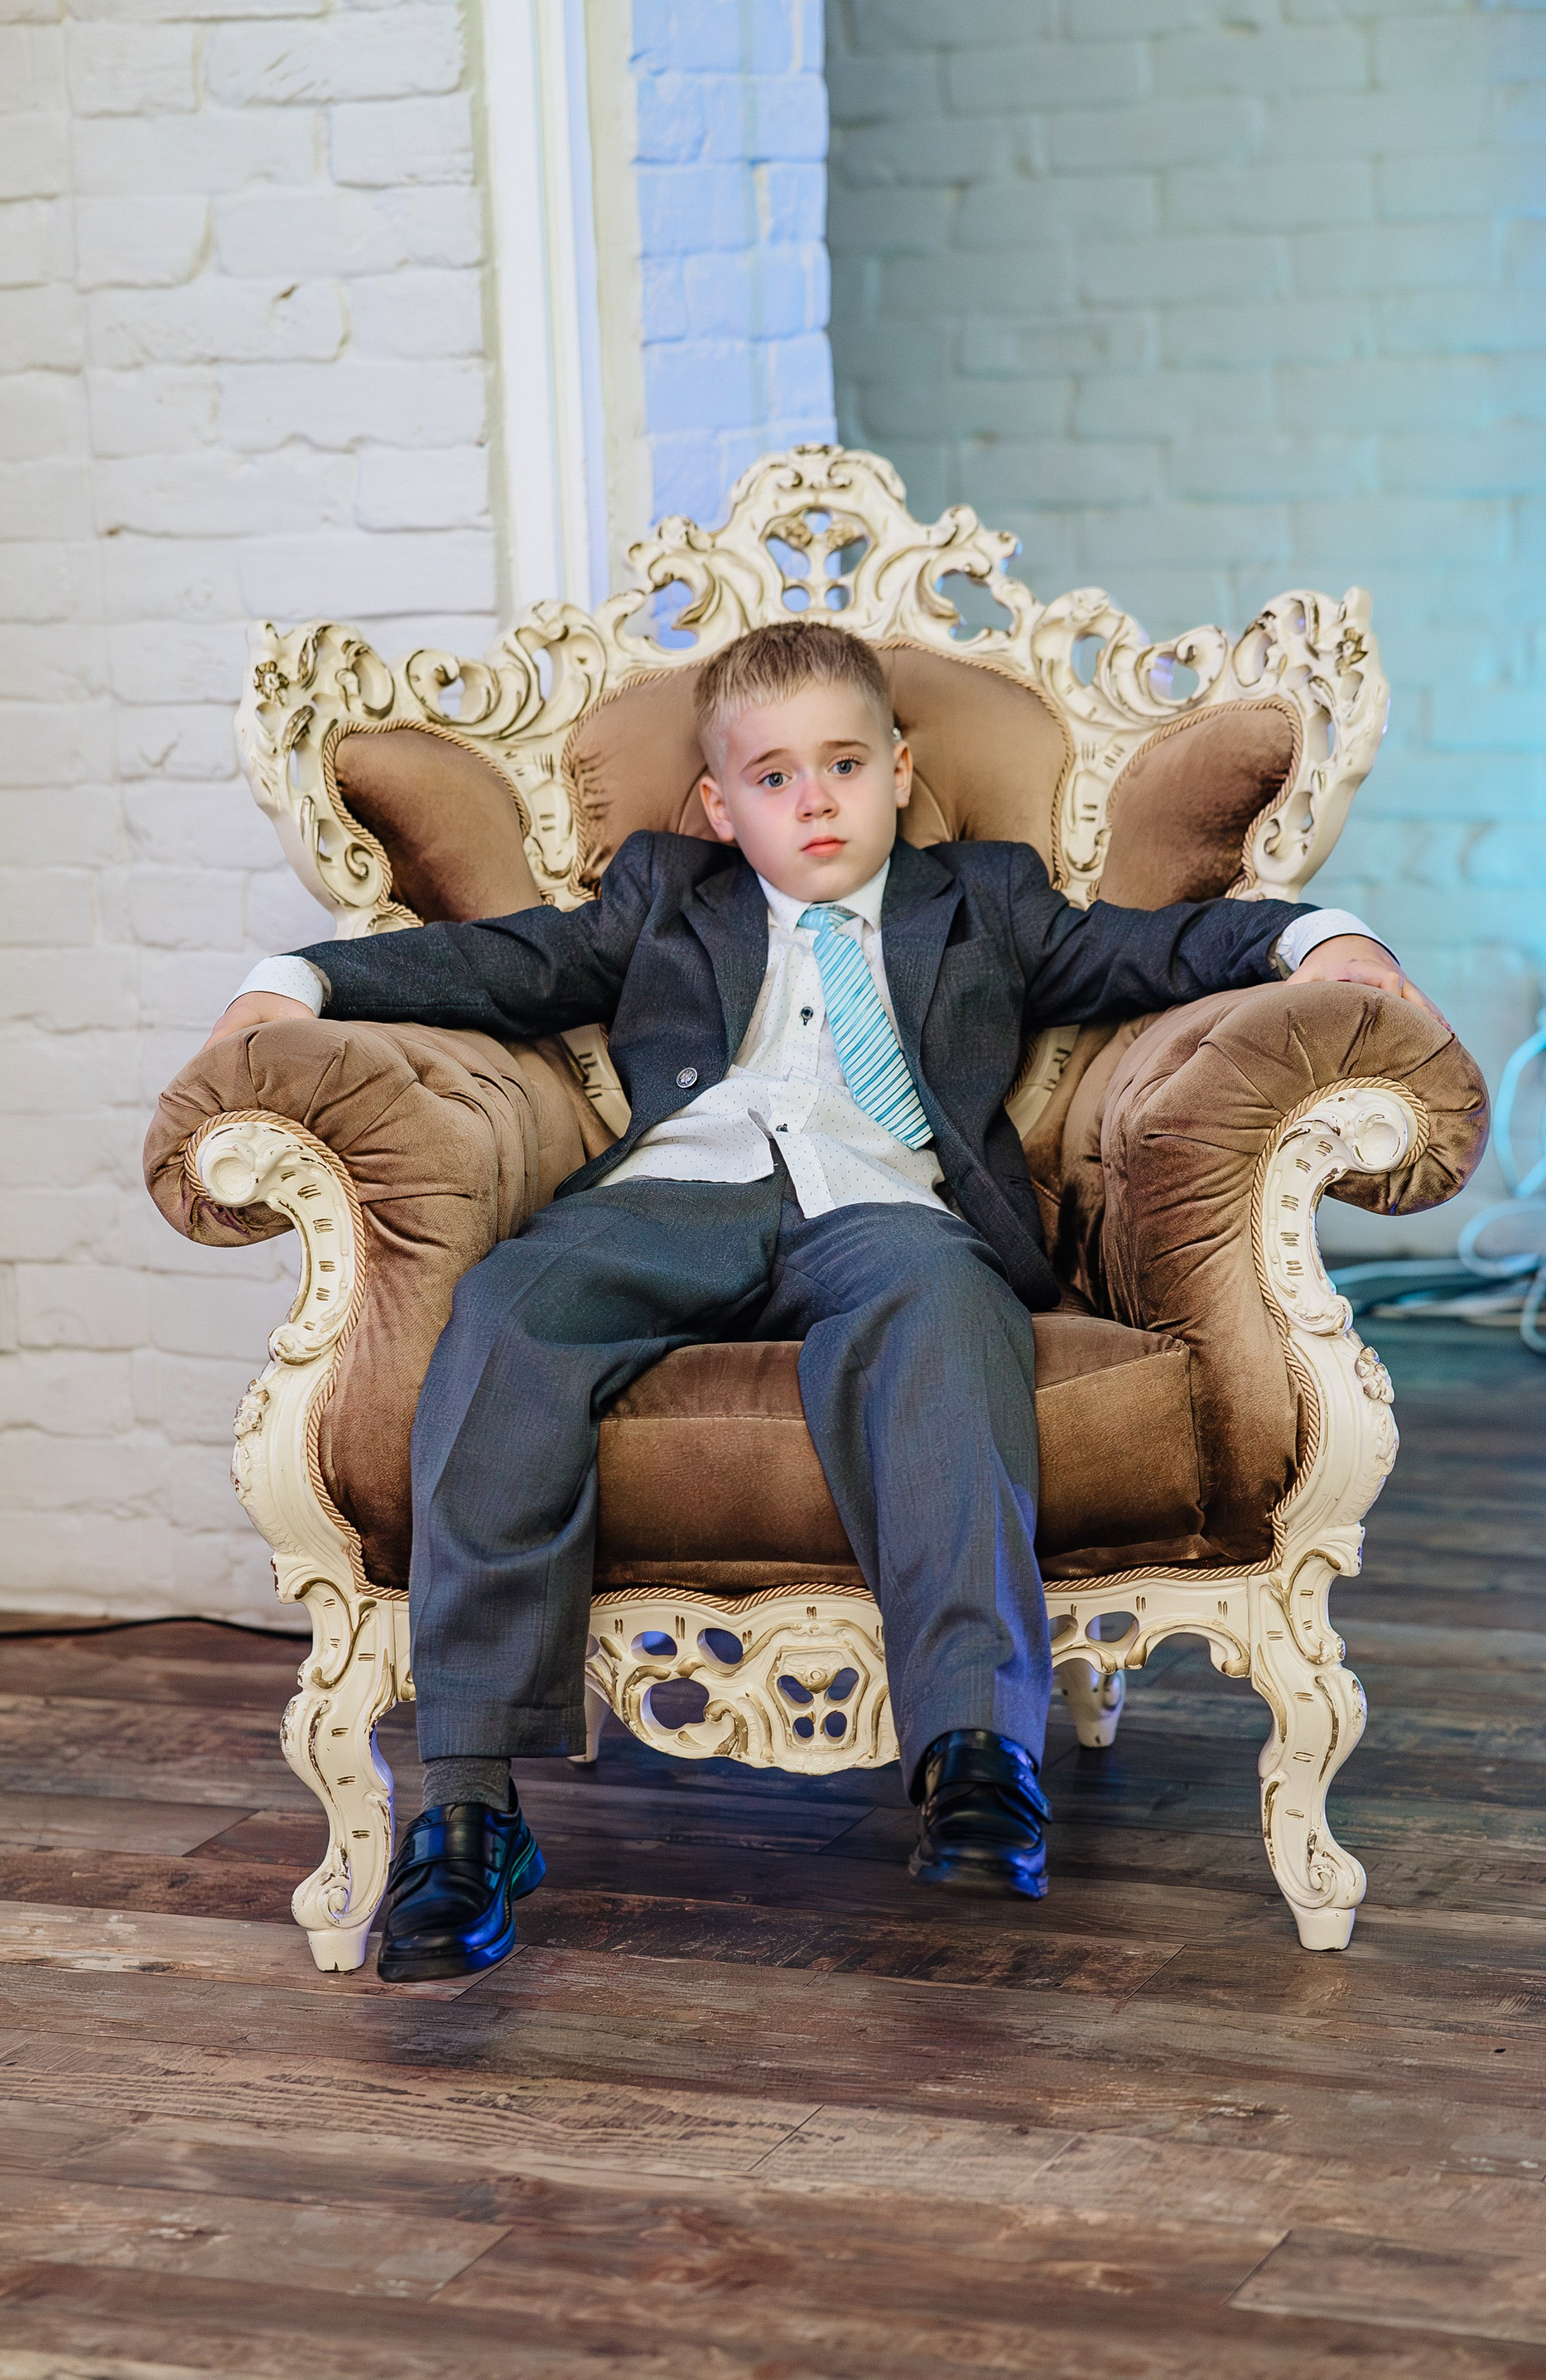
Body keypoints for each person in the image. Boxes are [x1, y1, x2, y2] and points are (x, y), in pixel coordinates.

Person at [206, 622, 1439, 1982]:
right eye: (775, 777)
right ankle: (471, 1807)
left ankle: (977, 1755)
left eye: (844, 764)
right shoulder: (665, 895)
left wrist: (1327, 941)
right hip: (675, 1198)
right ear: (719, 807)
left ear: (899, 770)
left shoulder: (984, 899)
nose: (816, 801)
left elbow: (1160, 948)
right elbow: (497, 963)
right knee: (506, 1313)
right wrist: (287, 986)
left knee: (949, 1312)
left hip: (886, 1207)